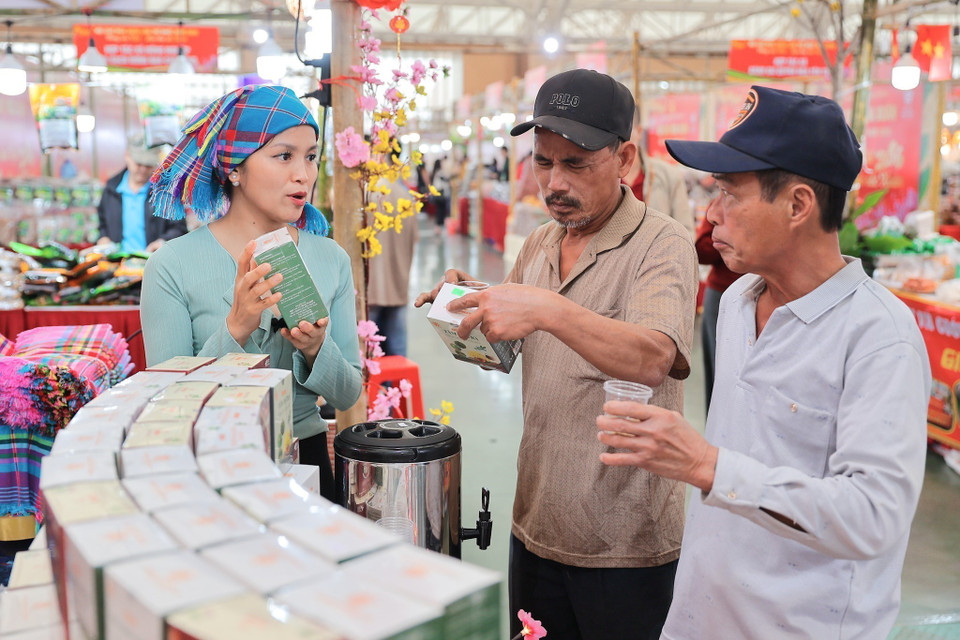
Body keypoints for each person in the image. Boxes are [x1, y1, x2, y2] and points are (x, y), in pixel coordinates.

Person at [596, 86, 931, 640]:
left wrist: (707, 465)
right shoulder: (737, 301)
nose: (711, 212)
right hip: (702, 614)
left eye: (729, 192)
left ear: (798, 205)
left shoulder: (878, 337)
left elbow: (874, 516)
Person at [415, 69, 698, 640]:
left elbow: (653, 357)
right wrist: (470, 312)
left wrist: (546, 309)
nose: (554, 182)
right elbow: (502, 355)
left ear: (625, 160)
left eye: (576, 163)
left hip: (624, 544)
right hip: (539, 522)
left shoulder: (662, 244)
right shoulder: (543, 241)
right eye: (543, 162)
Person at [140, 85, 362, 500]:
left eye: (311, 156)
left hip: (307, 460)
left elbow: (349, 391)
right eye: (284, 156)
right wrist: (235, 328)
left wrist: (317, 349)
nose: (304, 174)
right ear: (234, 169)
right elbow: (165, 403)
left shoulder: (330, 259)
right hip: (209, 465)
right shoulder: (171, 266)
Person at [96, 134, 187, 253]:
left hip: (153, 263)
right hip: (118, 265)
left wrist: (162, 242)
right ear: (127, 156)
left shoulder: (166, 192)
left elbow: (179, 229)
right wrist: (103, 238)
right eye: (138, 164)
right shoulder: (111, 189)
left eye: (148, 165)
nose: (143, 170)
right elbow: (102, 224)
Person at [623, 107, 695, 239]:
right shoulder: (600, 177)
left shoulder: (669, 176)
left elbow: (686, 233)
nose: (619, 138)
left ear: (638, 132)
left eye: (625, 129)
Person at [367, 175, 419, 357]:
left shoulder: (367, 194)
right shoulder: (407, 197)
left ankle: (376, 386)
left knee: (369, 352)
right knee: (397, 350)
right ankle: (396, 385)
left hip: (370, 286)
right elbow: (414, 239)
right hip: (398, 282)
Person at [694, 213, 740, 411]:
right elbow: (701, 249)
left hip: (765, 291)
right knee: (717, 373)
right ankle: (713, 436)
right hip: (721, 290)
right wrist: (729, 241)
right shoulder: (721, 206)